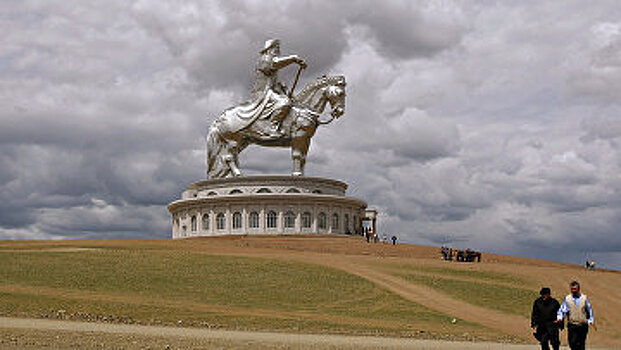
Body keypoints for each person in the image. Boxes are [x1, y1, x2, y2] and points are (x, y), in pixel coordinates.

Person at [248, 39, 306, 138]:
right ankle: (271, 127)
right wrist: (293, 58)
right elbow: (275, 63)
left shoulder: (273, 65)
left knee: (291, 103)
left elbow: (277, 83)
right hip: (263, 92)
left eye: (278, 48)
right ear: (269, 49)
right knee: (284, 103)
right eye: (275, 48)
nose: (277, 50)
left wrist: (286, 91)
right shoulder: (265, 59)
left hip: (271, 91)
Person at [557, 281, 595, 350]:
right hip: (572, 325)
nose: (573, 291)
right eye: (572, 289)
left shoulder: (584, 298)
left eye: (575, 289)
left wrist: (591, 320)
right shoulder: (568, 299)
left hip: (582, 325)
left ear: (578, 289)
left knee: (581, 343)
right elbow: (563, 309)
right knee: (572, 342)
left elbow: (589, 310)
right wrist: (560, 317)